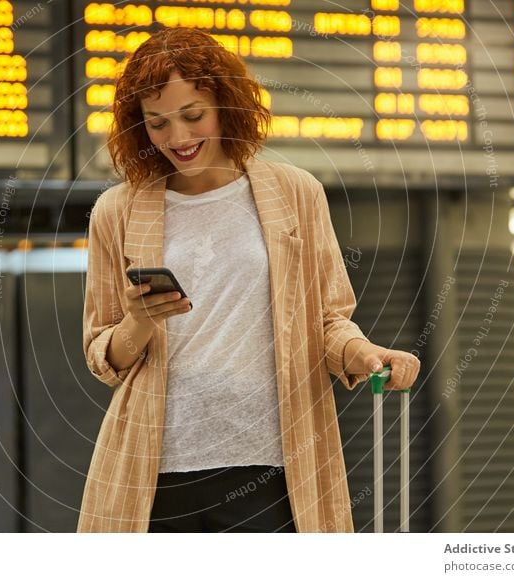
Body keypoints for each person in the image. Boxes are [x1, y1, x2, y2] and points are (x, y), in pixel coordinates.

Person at [78, 26, 420, 533]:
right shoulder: (117, 211)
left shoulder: (295, 194)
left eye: (193, 116)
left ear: (227, 105)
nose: (178, 138)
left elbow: (326, 320)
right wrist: (137, 322)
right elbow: (102, 355)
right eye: (157, 123)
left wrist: (366, 355)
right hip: (154, 472)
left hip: (272, 465)